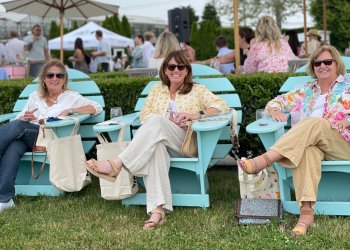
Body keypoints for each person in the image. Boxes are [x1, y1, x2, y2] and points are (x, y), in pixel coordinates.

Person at [83, 50, 229, 229]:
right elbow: (144, 114)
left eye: (180, 66)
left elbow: (221, 105)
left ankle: (117, 164)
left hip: (184, 143)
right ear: (165, 70)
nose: (176, 70)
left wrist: (195, 115)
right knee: (156, 146)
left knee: (157, 123)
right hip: (157, 139)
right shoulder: (156, 90)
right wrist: (164, 121)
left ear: (186, 70)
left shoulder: (197, 90)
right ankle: (157, 210)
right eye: (171, 66)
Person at [238, 45, 350, 236]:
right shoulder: (305, 90)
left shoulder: (347, 87)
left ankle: (264, 160)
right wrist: (273, 110)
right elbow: (276, 102)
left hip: (342, 143)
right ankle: (306, 214)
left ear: (337, 64)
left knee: (314, 123)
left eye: (327, 62)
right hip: (311, 143)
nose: (322, 66)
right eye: (317, 63)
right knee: (308, 149)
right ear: (313, 67)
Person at [0, 59, 102, 212]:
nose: (55, 78)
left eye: (59, 76)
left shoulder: (71, 97)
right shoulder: (35, 97)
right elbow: (19, 119)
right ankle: (5, 199)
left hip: (53, 137)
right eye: (50, 75)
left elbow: (96, 107)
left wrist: (71, 110)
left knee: (18, 127)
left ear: (64, 79)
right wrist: (26, 118)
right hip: (29, 135)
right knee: (13, 147)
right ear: (44, 79)